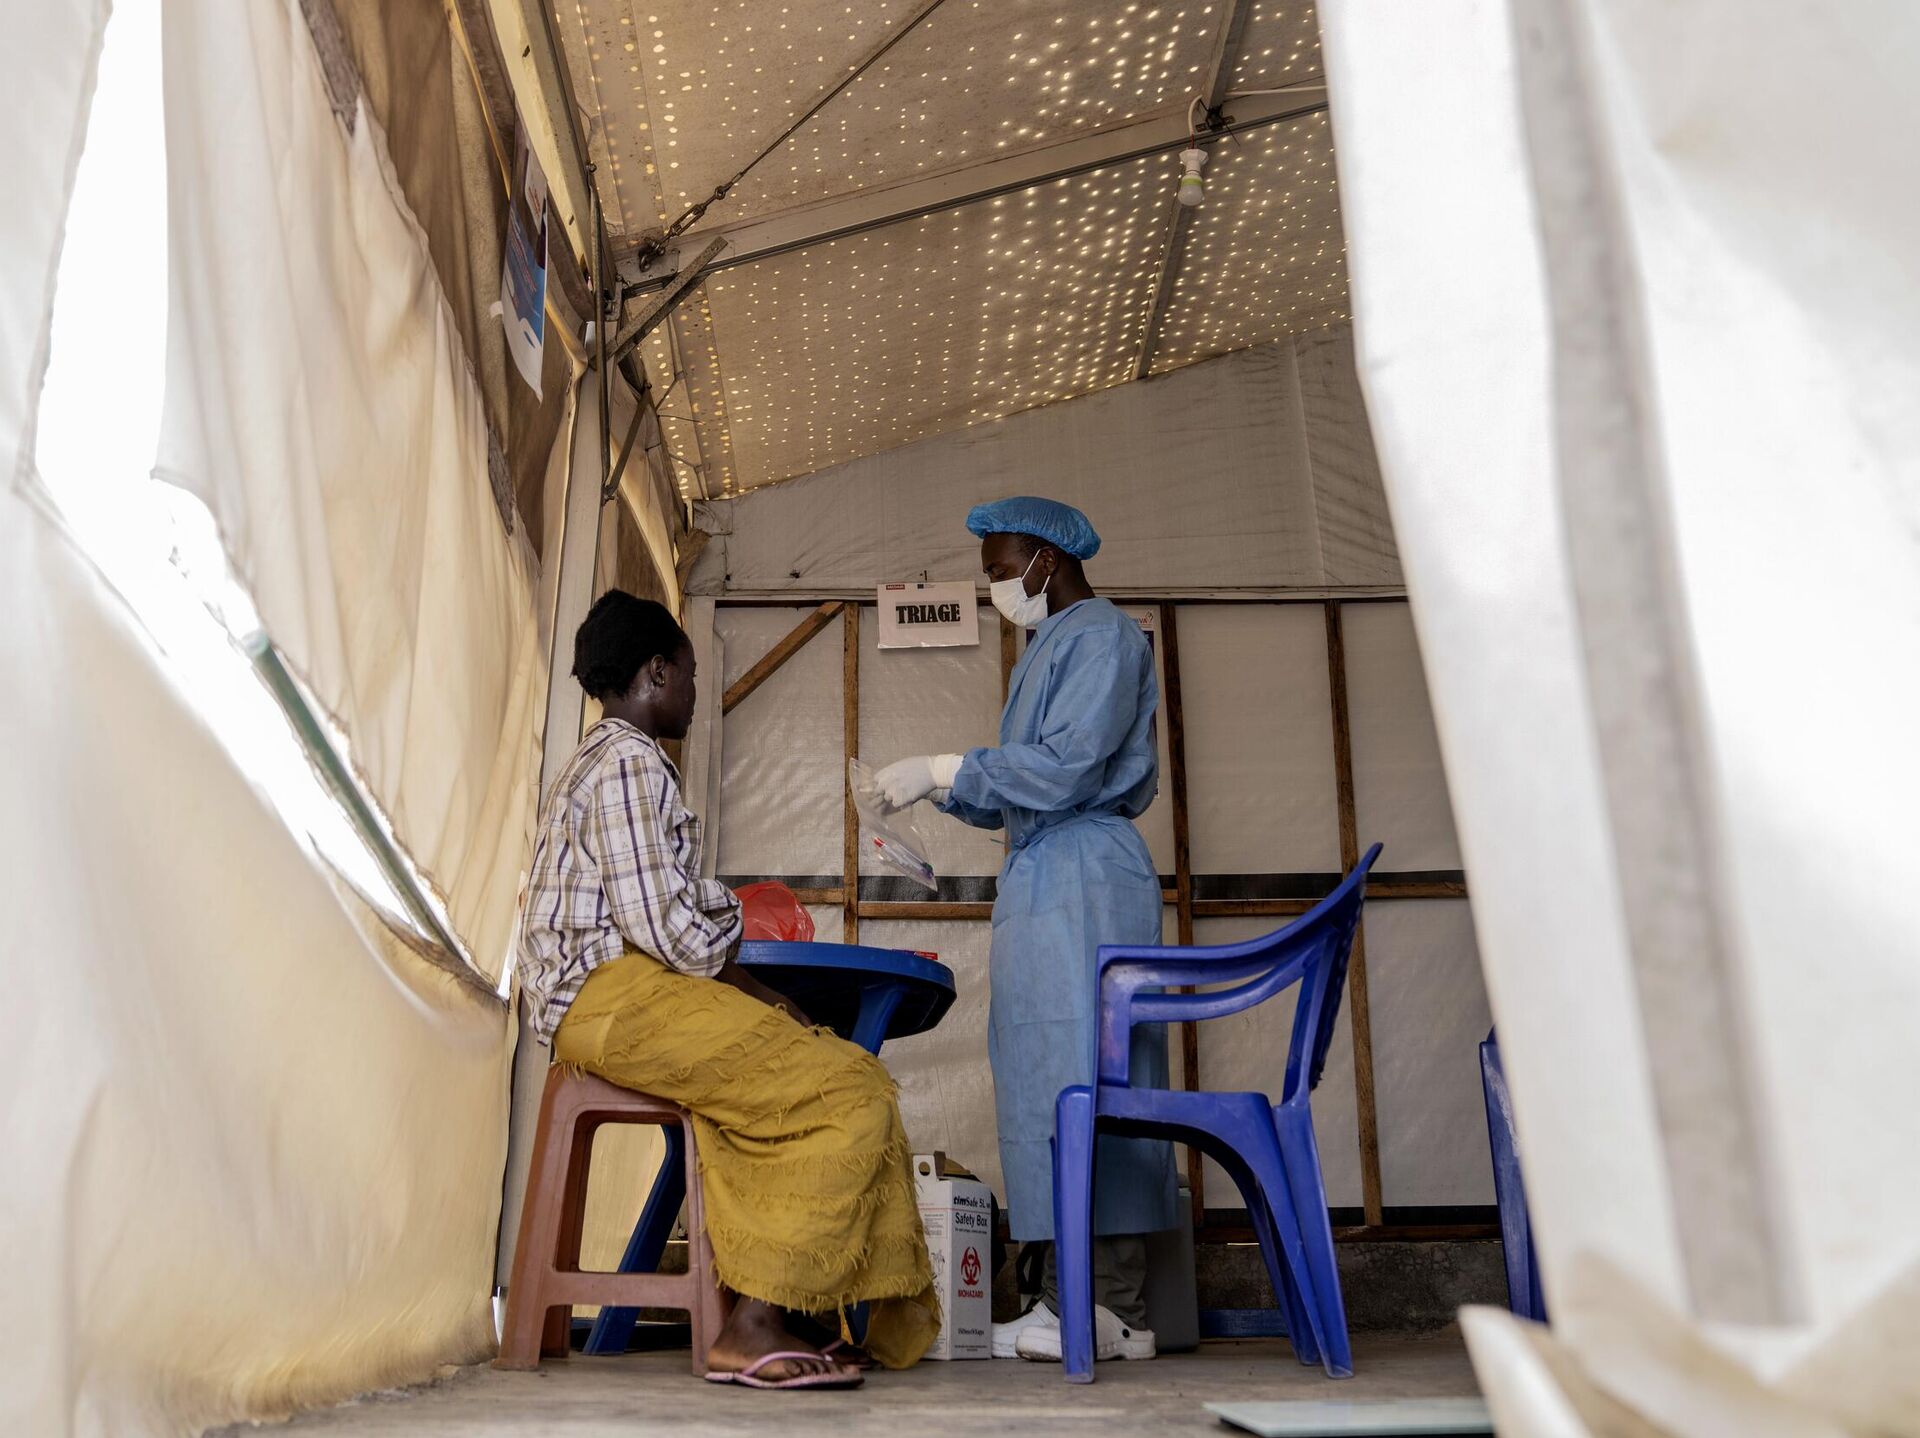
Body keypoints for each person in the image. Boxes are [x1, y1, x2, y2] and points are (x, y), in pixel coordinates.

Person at [518, 590, 937, 1389]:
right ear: (655, 672)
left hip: (617, 998)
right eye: (689, 676)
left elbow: (668, 926)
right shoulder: (631, 762)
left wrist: (752, 984)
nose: (694, 694)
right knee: (847, 1087)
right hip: (611, 1000)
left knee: (796, 1075)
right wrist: (745, 961)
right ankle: (753, 1324)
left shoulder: (602, 761)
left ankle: (799, 1314)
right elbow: (670, 931)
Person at [874, 497, 1175, 1364]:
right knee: (1044, 1086)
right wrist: (936, 788)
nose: (996, 587)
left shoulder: (1102, 636)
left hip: (1085, 877)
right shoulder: (1048, 647)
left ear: (1048, 558)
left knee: (1091, 1080)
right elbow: (1018, 788)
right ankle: (1066, 1298)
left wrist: (948, 765)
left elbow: (1067, 768)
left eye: (1002, 570)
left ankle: (1108, 1304)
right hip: (1045, 875)